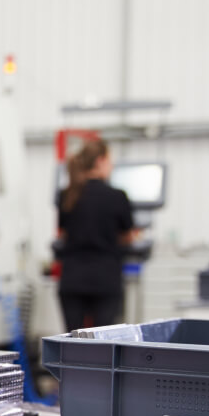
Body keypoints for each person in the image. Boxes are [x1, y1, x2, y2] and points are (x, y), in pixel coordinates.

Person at [56, 139, 138, 332]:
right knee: (102, 343)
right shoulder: (117, 196)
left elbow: (63, 234)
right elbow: (127, 237)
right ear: (100, 161)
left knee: (72, 341)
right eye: (110, 161)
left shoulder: (67, 195)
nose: (112, 165)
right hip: (105, 279)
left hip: (72, 279)